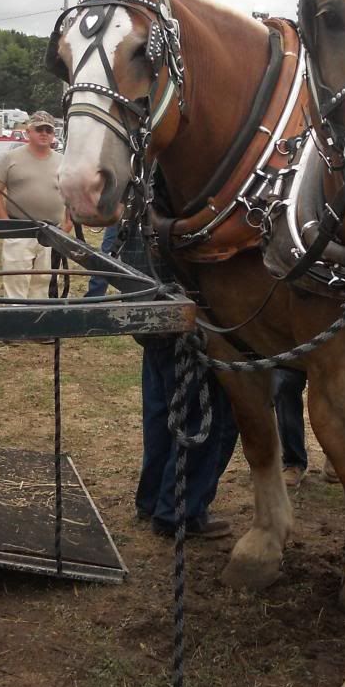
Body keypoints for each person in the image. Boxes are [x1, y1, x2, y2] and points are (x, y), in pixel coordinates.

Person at [113, 224, 239, 538]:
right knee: (202, 421)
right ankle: (179, 512)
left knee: (161, 414)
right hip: (181, 320)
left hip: (150, 309)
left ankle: (153, 499)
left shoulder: (140, 200)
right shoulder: (177, 203)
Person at [0, 111, 71, 312]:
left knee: (44, 279)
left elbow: (72, 196)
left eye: (48, 130)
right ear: (28, 132)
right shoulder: (10, 158)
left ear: (53, 134)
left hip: (51, 231)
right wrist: (5, 222)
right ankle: (13, 322)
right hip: (18, 228)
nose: (44, 133)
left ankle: (38, 324)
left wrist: (67, 225)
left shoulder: (63, 161)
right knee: (16, 277)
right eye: (39, 129)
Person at [271, 368, 339, 487]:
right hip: (291, 352)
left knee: (333, 384)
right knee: (285, 383)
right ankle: (293, 461)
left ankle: (335, 454)